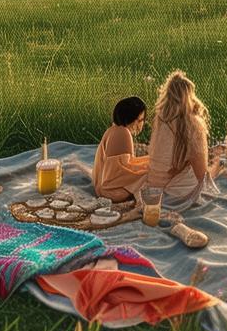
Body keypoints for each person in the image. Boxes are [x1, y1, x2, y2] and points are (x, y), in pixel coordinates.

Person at [145, 70, 220, 246]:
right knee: (214, 173)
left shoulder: (161, 118)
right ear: (189, 97)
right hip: (174, 197)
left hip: (152, 193)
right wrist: (218, 163)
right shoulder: (192, 124)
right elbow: (203, 177)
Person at [92, 96, 149, 202]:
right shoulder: (123, 133)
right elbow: (120, 173)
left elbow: (123, 165)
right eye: (141, 120)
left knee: (152, 164)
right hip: (110, 192)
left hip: (100, 186)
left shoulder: (112, 130)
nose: (142, 124)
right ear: (134, 120)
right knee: (155, 172)